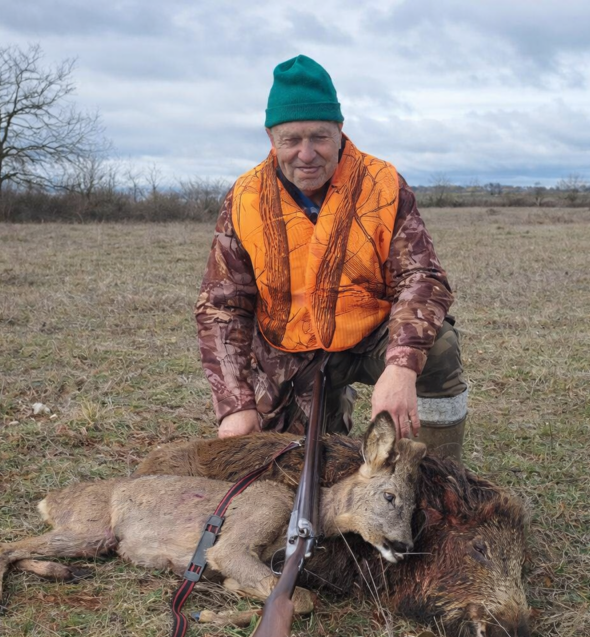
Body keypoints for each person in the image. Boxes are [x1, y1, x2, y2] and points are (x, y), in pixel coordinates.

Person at [195, 54, 468, 459]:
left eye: (319, 137)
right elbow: (222, 306)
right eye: (292, 140)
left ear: (340, 131)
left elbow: (422, 278)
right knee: (299, 464)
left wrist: (401, 366)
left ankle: (438, 474)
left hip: (372, 334)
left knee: (439, 348)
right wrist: (235, 405)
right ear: (271, 137)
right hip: (290, 351)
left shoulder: (382, 183)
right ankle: (331, 409)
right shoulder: (244, 198)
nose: (306, 154)